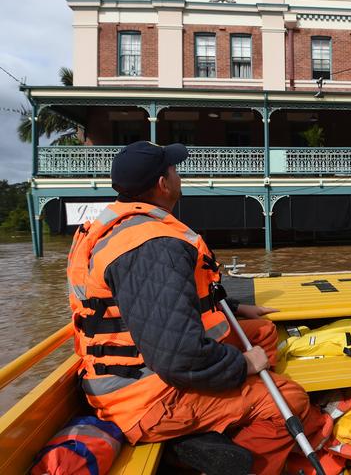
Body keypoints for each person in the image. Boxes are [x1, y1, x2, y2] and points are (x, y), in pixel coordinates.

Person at [67, 141, 328, 475]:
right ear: (162, 184)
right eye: (174, 169)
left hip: (142, 369)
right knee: (291, 401)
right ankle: (231, 450)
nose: (179, 175)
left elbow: (157, 302)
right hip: (146, 397)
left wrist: (233, 307)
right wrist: (243, 365)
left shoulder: (121, 227)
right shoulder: (153, 246)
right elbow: (179, 358)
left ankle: (228, 419)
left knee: (261, 332)